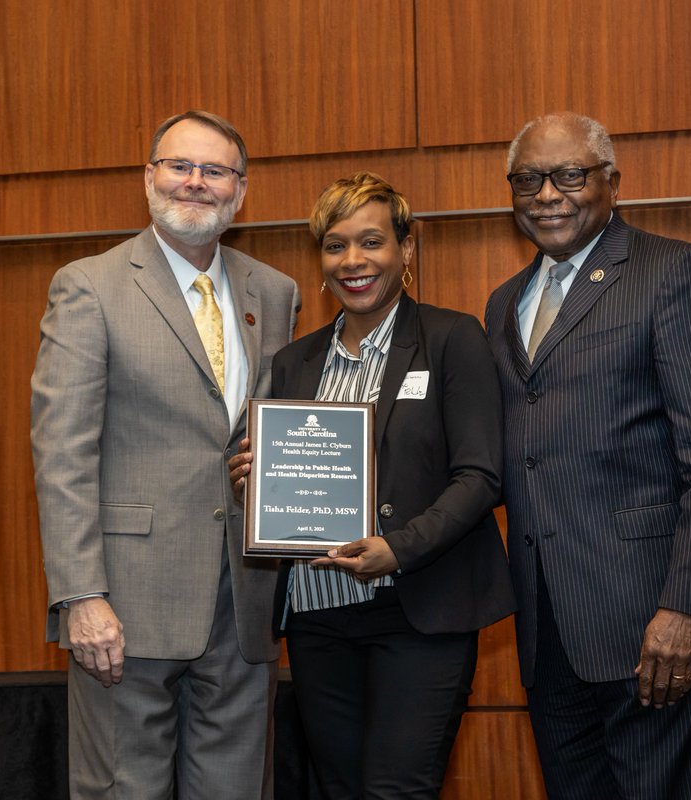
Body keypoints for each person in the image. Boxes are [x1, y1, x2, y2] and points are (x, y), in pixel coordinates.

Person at [484, 113, 691, 799]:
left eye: (569, 175)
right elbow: (515, 454)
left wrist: (686, 609)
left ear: (611, 183)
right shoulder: (503, 305)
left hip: (656, 625)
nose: (547, 194)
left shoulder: (672, 273)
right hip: (551, 633)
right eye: (529, 179)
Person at [30, 110, 301, 800]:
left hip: (242, 602)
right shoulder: (90, 286)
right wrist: (81, 595)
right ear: (148, 178)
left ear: (240, 192)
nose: (196, 183)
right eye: (180, 166)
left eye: (215, 171)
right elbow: (62, 451)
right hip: (127, 604)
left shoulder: (275, 292)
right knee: (123, 789)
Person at [229, 172, 514, 799]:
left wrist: (400, 547)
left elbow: (481, 475)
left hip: (417, 613)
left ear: (405, 250)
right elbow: (285, 481)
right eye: (335, 245)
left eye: (371, 242)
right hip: (316, 617)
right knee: (340, 790)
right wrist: (252, 478)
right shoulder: (294, 361)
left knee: (395, 791)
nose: (353, 261)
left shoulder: (449, 339)